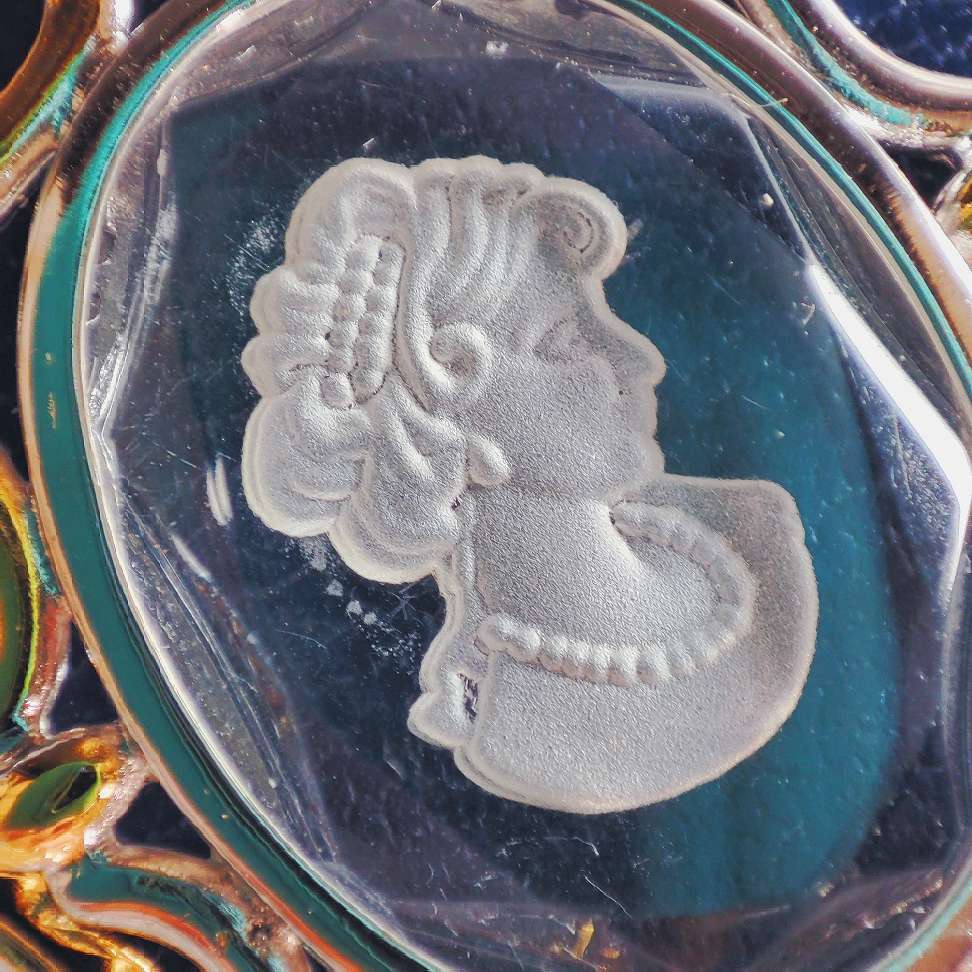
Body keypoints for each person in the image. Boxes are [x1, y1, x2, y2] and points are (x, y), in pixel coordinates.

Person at [241, 156, 817, 812]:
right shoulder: (520, 732)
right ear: (449, 384)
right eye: (563, 342)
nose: (638, 358)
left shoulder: (751, 537)